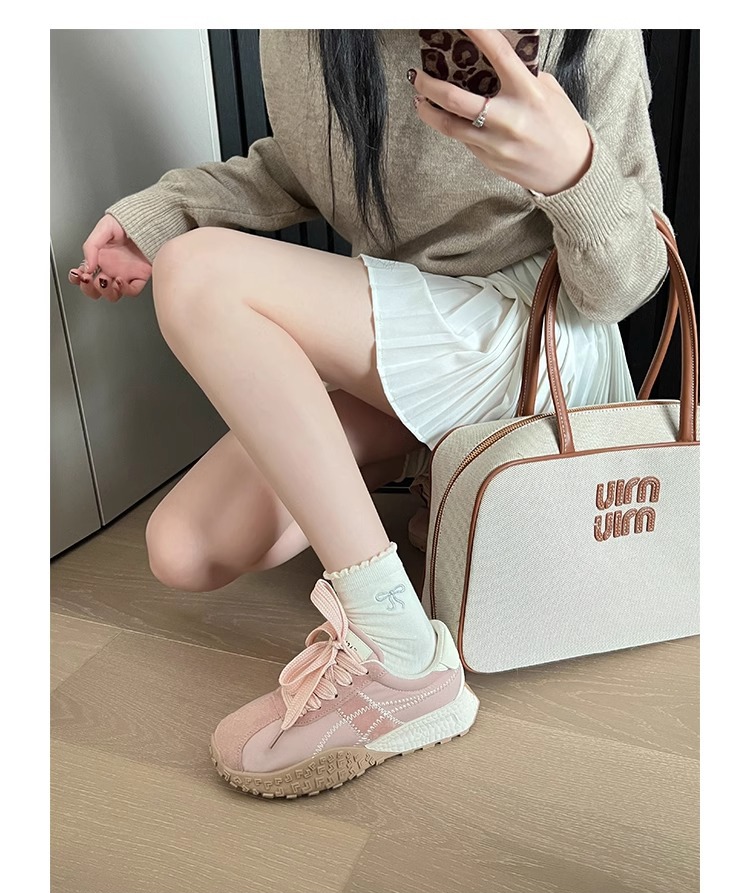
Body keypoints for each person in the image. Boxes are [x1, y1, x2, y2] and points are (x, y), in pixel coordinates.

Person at [68, 29, 670, 798]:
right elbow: (306, 163)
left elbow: (629, 282)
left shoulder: (581, 27)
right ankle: (434, 464)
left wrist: (573, 172)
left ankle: (401, 655)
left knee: (198, 275)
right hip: (410, 323)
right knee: (184, 547)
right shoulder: (308, 29)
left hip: (534, 332)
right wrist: (159, 216)